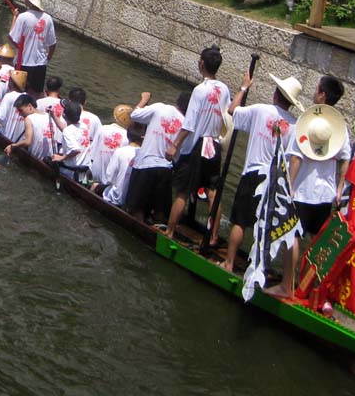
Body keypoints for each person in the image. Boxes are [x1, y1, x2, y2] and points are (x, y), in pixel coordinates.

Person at [273, 75, 352, 298]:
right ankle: (314, 290)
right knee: (319, 242)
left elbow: (296, 158)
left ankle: (286, 286)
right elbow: (346, 157)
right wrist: (339, 188)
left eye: (316, 89)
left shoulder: (306, 122)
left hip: (303, 192)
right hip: (326, 195)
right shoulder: (340, 127)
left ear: (322, 95)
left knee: (293, 236)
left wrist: (289, 184)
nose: (314, 91)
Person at [220, 71, 303, 275]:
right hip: (274, 180)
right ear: (290, 103)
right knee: (264, 226)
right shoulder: (293, 124)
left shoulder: (260, 110)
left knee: (240, 221)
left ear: (275, 94)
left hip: (253, 173)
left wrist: (243, 88)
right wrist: (290, 186)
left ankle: (229, 263)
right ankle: (258, 267)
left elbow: (232, 110)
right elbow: (294, 157)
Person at [163, 46, 231, 241]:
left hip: (197, 146)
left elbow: (190, 123)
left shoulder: (200, 90)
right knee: (212, 193)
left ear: (202, 63)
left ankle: (169, 232)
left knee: (183, 192)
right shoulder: (224, 89)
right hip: (214, 146)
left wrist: (175, 144)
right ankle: (214, 237)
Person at [125, 90, 186, 225]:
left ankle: (140, 227)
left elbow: (134, 115)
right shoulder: (186, 124)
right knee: (159, 212)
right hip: (166, 168)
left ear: (177, 101)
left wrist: (144, 99)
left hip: (145, 164)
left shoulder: (160, 107)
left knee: (137, 209)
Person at [8, 0, 57, 95]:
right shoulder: (48, 18)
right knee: (36, 93)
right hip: (41, 64)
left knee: (18, 91)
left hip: (24, 62)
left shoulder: (23, 17)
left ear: (30, 0)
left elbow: (12, 37)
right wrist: (48, 58)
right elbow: (52, 44)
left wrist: (14, 18)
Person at [4, 94, 59, 161]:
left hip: (37, 159)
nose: (20, 114)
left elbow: (27, 142)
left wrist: (13, 146)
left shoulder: (29, 118)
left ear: (30, 106)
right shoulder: (48, 116)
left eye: (21, 110)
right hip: (51, 159)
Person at [88, 105, 134, 186]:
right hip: (110, 181)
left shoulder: (103, 128)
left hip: (94, 175)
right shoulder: (128, 137)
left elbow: (92, 154)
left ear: (115, 117)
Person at [101, 129, 142, 207]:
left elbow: (109, 178)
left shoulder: (120, 151)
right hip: (134, 201)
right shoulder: (144, 154)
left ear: (128, 137)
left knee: (95, 186)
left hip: (116, 198)